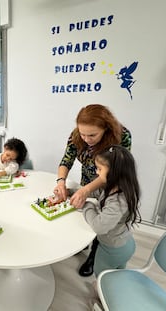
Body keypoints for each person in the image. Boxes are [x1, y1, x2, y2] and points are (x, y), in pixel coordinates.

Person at [53, 104, 131, 277]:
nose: (86, 139)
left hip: (109, 184)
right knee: (84, 215)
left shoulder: (122, 136)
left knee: (100, 220)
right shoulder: (76, 136)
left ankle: (94, 256)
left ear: (106, 128)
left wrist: (86, 192)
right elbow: (66, 161)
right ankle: (82, 244)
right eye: (83, 134)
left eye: (92, 135)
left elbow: (117, 169)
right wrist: (60, 182)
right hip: (87, 181)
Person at [80, 145, 141, 306]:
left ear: (114, 172)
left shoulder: (118, 199)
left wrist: (85, 206)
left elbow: (99, 226)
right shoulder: (116, 187)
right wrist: (79, 193)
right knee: (117, 276)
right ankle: (116, 295)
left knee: (102, 277)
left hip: (111, 249)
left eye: (100, 169)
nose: (97, 173)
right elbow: (97, 195)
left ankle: (103, 301)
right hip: (124, 243)